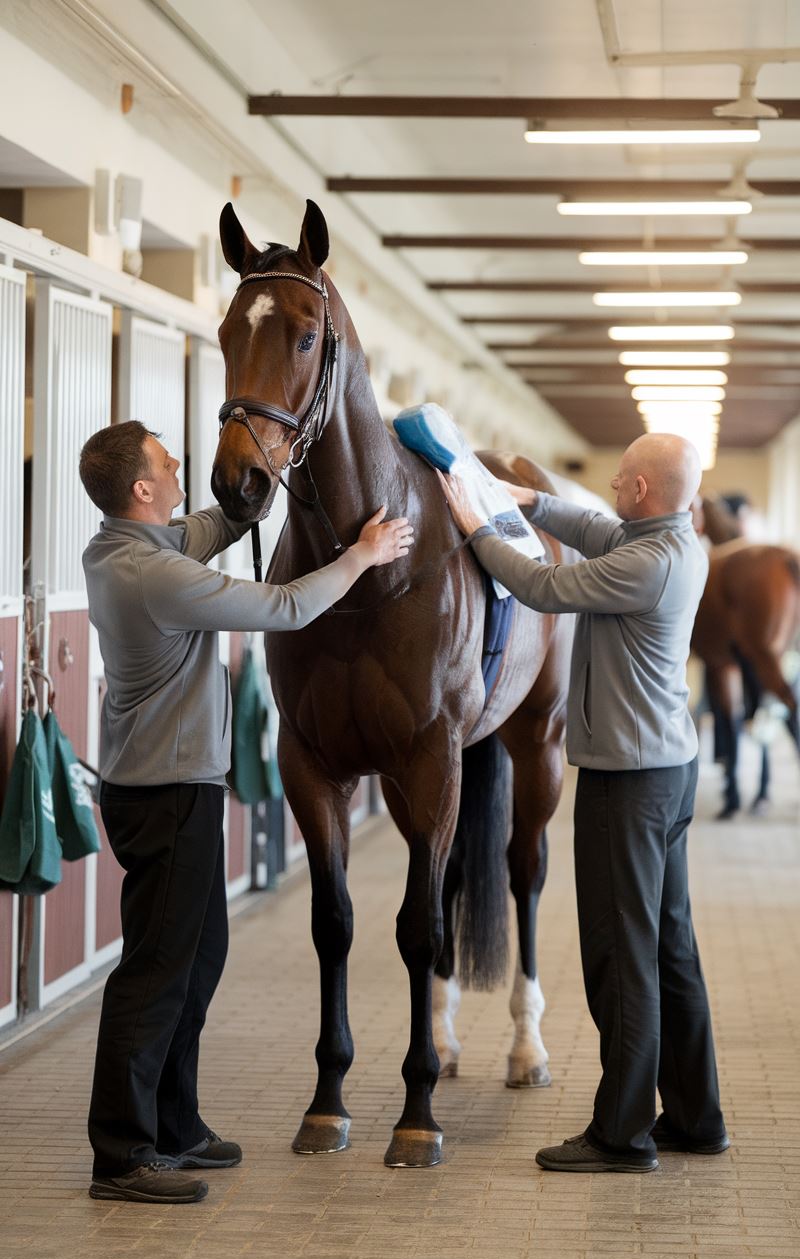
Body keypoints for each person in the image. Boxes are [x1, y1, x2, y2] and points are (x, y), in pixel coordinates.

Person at [79, 420, 413, 1204]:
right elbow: (290, 606)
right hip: (165, 792)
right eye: (167, 461)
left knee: (197, 962)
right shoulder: (149, 574)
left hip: (175, 785)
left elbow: (222, 522)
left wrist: (269, 468)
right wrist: (362, 556)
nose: (179, 464)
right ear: (141, 489)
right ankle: (122, 1154)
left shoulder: (140, 546)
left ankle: (175, 1124)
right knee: (155, 975)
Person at [439, 433, 728, 1174]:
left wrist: (477, 528)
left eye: (621, 476)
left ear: (639, 491)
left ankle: (622, 1133)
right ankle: (697, 1119)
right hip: (666, 772)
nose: (613, 483)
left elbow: (541, 587)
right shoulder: (672, 540)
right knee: (669, 950)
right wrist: (529, 501)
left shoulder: (647, 565)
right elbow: (596, 531)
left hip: (627, 784)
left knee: (619, 956)